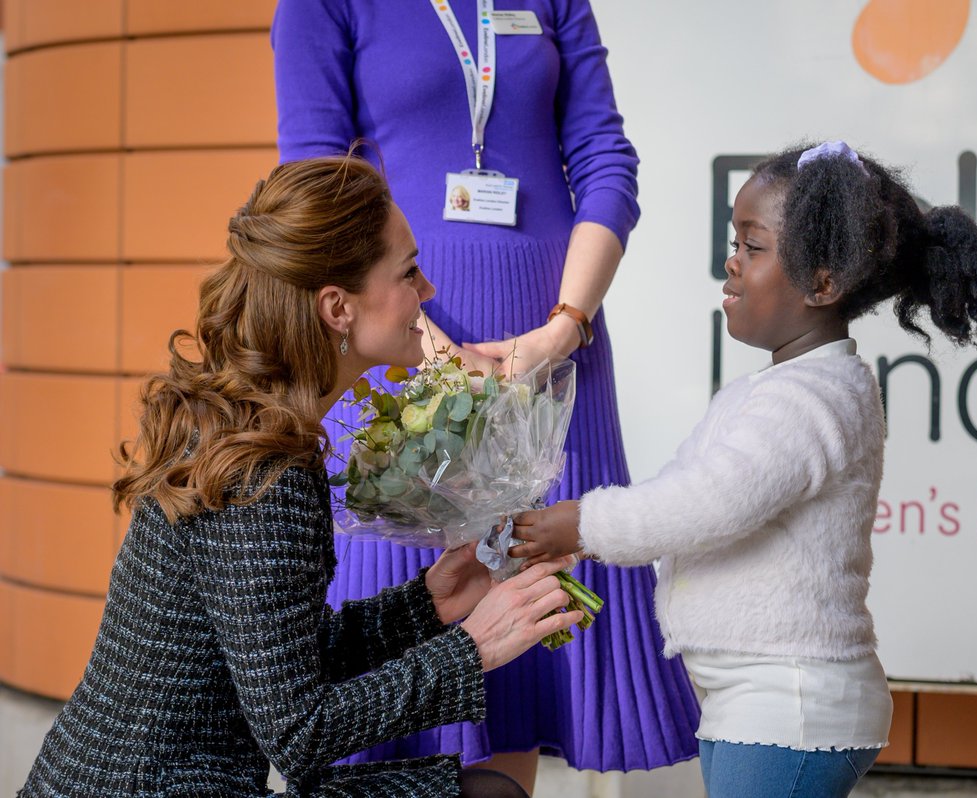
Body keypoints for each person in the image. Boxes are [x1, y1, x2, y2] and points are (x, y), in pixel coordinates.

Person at [19, 155, 582, 798]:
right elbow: (298, 733)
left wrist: (428, 605)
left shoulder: (250, 428)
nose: (427, 292)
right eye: (408, 272)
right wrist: (473, 648)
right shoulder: (266, 471)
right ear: (338, 307)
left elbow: (280, 665)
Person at [271, 0, 699, 790]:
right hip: (398, 342)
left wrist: (564, 328)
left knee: (523, 621)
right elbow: (314, 182)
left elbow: (604, 155)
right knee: (402, 603)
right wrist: (435, 354)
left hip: (551, 347)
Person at [509, 141, 977, 798]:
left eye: (753, 246)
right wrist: (582, 539)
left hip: (789, 704)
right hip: (757, 701)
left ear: (822, 284)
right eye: (734, 242)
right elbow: (678, 497)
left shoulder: (812, 400)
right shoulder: (773, 391)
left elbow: (707, 503)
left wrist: (582, 523)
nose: (732, 261)